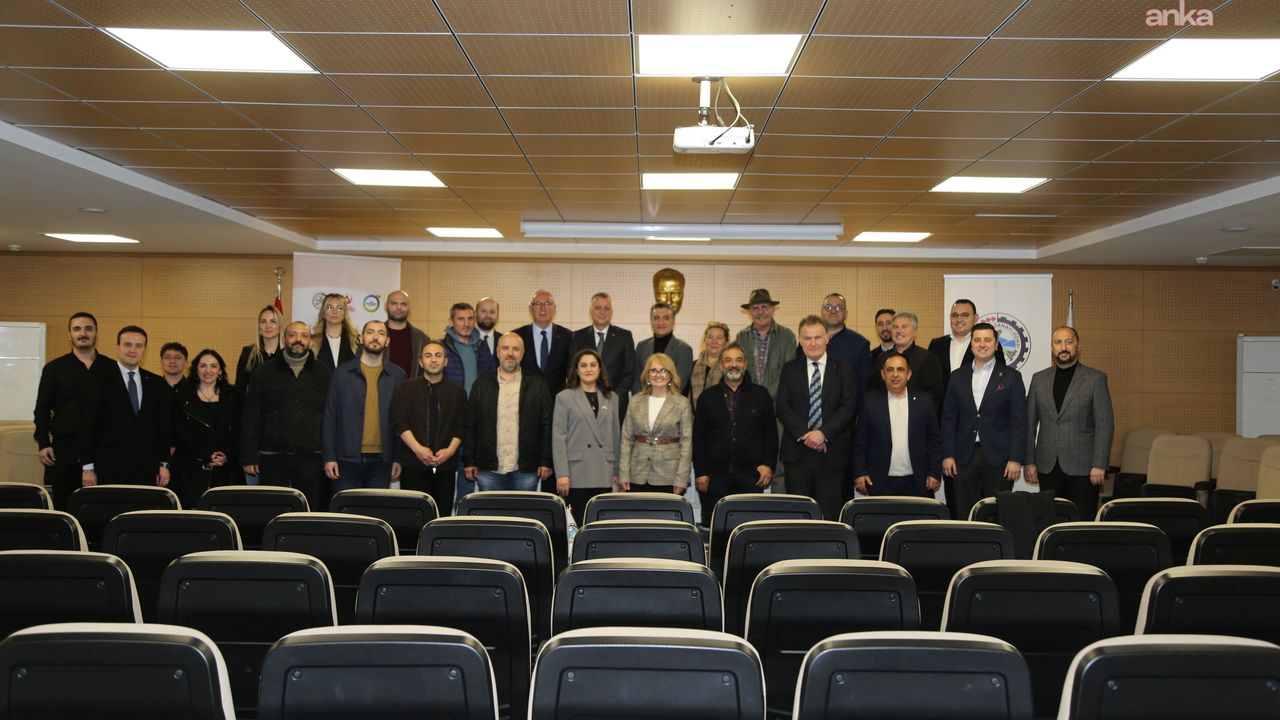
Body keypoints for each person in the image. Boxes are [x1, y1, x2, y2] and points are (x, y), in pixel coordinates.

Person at [240, 321, 333, 511]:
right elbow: (251, 416)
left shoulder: (323, 373)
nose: (298, 339)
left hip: (311, 458)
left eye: (304, 336)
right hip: (272, 457)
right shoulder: (264, 372)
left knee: (308, 512)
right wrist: (249, 456)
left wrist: (329, 455)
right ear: (284, 340)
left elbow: (331, 417)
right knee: (272, 511)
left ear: (310, 342)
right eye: (292, 335)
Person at [775, 315, 859, 520]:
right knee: (799, 515)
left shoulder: (844, 368)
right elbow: (782, 406)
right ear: (800, 340)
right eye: (807, 338)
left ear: (827, 338)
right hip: (797, 452)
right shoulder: (789, 369)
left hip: (832, 452)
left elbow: (849, 407)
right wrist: (807, 434)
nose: (812, 343)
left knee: (829, 515)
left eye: (817, 337)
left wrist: (823, 433)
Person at [1025, 326, 1115, 517]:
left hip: (1085, 468)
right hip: (1047, 466)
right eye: (1058, 342)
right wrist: (1029, 462)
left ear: (1078, 346)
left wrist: (1100, 464)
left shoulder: (1095, 379)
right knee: (1050, 520)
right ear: (1052, 347)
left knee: (1081, 521)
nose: (1063, 347)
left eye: (1068, 342)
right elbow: (1029, 424)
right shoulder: (1039, 379)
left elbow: (1104, 425)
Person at [941, 323, 1027, 519]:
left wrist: (1015, 459)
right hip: (963, 456)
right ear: (971, 345)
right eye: (977, 340)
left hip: (999, 458)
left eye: (987, 340)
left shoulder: (1012, 377)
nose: (982, 344)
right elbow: (948, 419)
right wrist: (947, 454)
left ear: (996, 345)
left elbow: (1019, 421)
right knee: (963, 513)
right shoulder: (957, 376)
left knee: (997, 513)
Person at [33, 311, 114, 509]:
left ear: (96, 333)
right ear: (70, 334)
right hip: (64, 450)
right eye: (77, 329)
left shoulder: (112, 368)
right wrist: (43, 443)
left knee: (102, 506)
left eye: (88, 329)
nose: (83, 333)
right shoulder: (54, 369)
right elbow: (42, 408)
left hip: (104, 450)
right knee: (64, 505)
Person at [693, 343, 778, 526]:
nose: (734, 364)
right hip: (715, 476)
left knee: (749, 527)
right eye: (728, 360)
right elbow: (699, 438)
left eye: (739, 360)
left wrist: (768, 465)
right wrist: (700, 472)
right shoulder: (707, 397)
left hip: (752, 475)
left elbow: (771, 433)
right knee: (717, 527)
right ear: (721, 365)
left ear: (745, 364)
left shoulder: (761, 395)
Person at [78, 326, 172, 489]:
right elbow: (87, 425)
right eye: (128, 344)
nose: (133, 350)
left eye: (138, 346)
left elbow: (162, 427)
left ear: (144, 350)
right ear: (118, 347)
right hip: (109, 468)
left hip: (146, 469)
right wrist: (87, 467)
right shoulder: (98, 379)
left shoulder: (156, 383)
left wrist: (164, 464)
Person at [321, 320, 405, 499]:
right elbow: (329, 417)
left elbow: (401, 421)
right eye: (370, 332)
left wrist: (397, 458)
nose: (375, 337)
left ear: (387, 341)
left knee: (374, 511)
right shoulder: (341, 374)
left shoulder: (397, 376)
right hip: (345, 459)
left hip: (382, 461)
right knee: (344, 511)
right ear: (361, 338)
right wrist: (329, 456)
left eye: (381, 333)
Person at [463, 332, 554, 492]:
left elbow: (547, 425)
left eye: (515, 349)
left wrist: (545, 461)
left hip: (526, 469)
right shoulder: (481, 384)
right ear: (498, 352)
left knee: (524, 509)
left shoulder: (537, 384)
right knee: (490, 509)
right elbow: (470, 424)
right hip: (489, 469)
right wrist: (469, 460)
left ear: (523, 353)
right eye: (505, 348)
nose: (510, 353)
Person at [391, 341, 468, 516]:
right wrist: (418, 449)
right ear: (421, 362)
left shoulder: (457, 392)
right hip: (413, 465)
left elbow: (462, 426)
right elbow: (399, 422)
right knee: (413, 517)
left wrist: (449, 451)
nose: (433, 360)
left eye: (438, 355)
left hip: (446, 466)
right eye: (428, 356)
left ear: (445, 362)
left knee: (442, 516)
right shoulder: (406, 388)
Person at [854, 352, 943, 498]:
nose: (895, 375)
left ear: (909, 374)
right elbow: (860, 441)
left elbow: (934, 440)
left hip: (918, 481)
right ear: (883, 374)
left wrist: (935, 471)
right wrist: (859, 472)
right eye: (890, 370)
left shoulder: (924, 400)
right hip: (880, 481)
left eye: (900, 370)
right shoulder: (869, 401)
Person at [552, 349, 621, 525]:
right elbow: (558, 438)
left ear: (600, 369)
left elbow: (615, 435)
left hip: (603, 470)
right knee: (576, 525)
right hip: (575, 473)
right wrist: (562, 473)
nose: (588, 369)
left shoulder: (612, 398)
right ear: (576, 370)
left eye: (593, 365)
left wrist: (616, 470)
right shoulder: (564, 397)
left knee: (600, 525)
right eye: (583, 365)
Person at [172, 349, 239, 508]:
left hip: (225, 469)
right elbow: (180, 433)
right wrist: (206, 455)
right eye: (203, 366)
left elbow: (239, 431)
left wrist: (226, 454)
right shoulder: (181, 395)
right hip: (191, 469)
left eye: (213, 366)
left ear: (220, 370)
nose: (208, 370)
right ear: (196, 369)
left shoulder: (234, 396)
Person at [620, 352, 692, 495]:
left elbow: (686, 443)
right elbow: (626, 439)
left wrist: (682, 478)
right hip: (637, 473)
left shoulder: (682, 403)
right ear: (647, 376)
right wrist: (624, 473)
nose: (658, 374)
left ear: (670, 375)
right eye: (653, 370)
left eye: (663, 370)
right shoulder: (635, 401)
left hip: (669, 474)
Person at [570, 292, 636, 419]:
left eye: (606, 308)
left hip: (616, 404)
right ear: (591, 310)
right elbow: (572, 370)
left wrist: (613, 397)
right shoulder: (578, 336)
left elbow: (630, 372)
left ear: (611, 312)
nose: (602, 312)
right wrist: (584, 397)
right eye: (598, 308)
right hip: (584, 405)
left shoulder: (624, 336)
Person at [869, 311, 945, 416]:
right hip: (885, 415)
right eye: (895, 327)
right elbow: (874, 389)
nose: (899, 331)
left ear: (915, 331)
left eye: (904, 327)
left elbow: (935, 395)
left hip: (917, 416)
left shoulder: (927, 358)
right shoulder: (882, 358)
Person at [929, 299, 1003, 391]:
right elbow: (930, 378)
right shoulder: (936, 344)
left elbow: (999, 377)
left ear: (975, 318)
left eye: (965, 315)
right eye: (955, 315)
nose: (959, 319)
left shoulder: (987, 346)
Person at [736, 288, 797, 398]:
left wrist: (765, 396)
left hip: (778, 402)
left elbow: (789, 373)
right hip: (749, 401)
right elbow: (739, 371)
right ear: (749, 312)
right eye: (755, 308)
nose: (760, 312)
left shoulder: (787, 337)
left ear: (772, 309)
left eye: (764, 306)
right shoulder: (741, 338)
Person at [515, 289, 572, 397]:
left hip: (558, 400)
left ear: (554, 308)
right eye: (537, 304)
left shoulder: (568, 336)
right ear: (530, 308)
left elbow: (572, 373)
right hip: (525, 399)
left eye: (547, 304)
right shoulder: (517, 336)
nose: (543, 308)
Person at [634, 302, 693, 396]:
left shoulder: (684, 350)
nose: (661, 322)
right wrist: (642, 400)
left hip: (671, 403)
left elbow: (679, 384)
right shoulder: (642, 346)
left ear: (673, 321)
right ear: (651, 321)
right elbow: (636, 380)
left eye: (666, 318)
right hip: (643, 402)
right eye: (656, 318)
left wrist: (659, 402)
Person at [442, 302, 496, 394]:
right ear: (451, 322)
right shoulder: (442, 347)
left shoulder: (482, 346)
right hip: (452, 401)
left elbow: (492, 376)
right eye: (461, 319)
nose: (466, 324)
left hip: (477, 401)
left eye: (470, 319)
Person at [385, 289, 430, 379]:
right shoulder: (374, 336)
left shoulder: (422, 339)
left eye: (403, 304)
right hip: (381, 388)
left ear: (409, 308)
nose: (399, 307)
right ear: (385, 307)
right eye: (394, 303)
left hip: (412, 388)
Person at [235, 305, 282, 390]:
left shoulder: (287, 354)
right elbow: (239, 388)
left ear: (280, 326)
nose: (268, 326)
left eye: (273, 321)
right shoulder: (248, 353)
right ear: (259, 327)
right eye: (263, 322)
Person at [690, 321, 730, 409]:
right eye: (710, 337)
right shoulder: (691, 366)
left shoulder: (731, 368)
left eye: (719, 338)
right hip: (694, 416)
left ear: (726, 342)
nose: (714, 341)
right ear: (705, 340)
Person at [312, 292, 357, 368]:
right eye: (330, 308)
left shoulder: (355, 340)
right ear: (323, 312)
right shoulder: (313, 341)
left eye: (339, 308)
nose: (335, 312)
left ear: (345, 313)